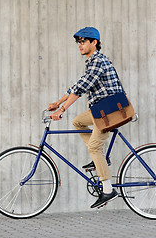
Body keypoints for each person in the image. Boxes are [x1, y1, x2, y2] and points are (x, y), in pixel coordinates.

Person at [48, 27, 125, 208]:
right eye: (79, 42)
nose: (80, 45)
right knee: (78, 122)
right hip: (101, 109)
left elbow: (81, 88)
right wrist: (58, 103)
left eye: (84, 41)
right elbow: (79, 85)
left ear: (94, 42)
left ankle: (108, 190)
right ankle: (101, 160)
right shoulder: (92, 62)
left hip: (110, 109)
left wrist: (62, 110)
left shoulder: (98, 61)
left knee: (94, 147)